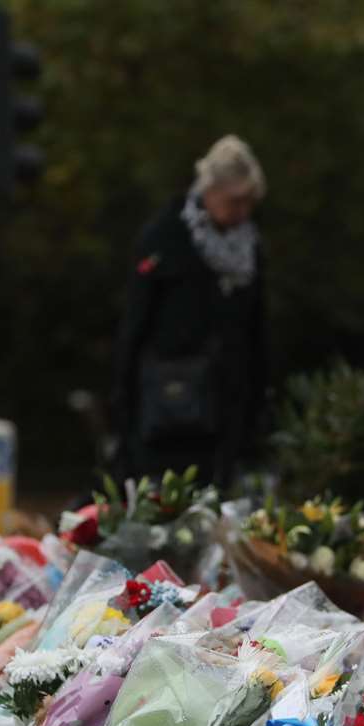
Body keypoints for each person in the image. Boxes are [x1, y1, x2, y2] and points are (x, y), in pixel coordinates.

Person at [111, 134, 269, 487]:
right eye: (234, 201)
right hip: (171, 408)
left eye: (248, 203)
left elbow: (256, 329)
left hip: (228, 407)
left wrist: (258, 406)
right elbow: (135, 324)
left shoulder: (250, 248)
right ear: (210, 190)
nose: (242, 212)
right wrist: (124, 406)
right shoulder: (164, 238)